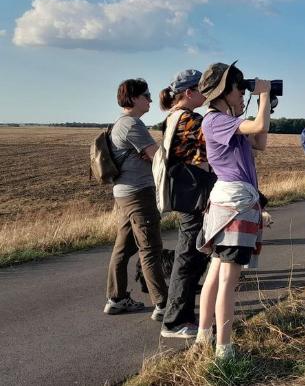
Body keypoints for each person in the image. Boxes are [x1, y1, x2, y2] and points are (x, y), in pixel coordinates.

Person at [195, 61, 271, 359]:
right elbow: (259, 126)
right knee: (229, 278)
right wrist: (262, 96)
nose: (243, 94)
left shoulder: (225, 121)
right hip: (234, 205)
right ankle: (223, 349)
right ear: (224, 91)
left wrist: (268, 103)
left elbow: (260, 141)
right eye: (240, 89)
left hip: (230, 203)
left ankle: (204, 336)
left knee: (216, 272)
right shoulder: (214, 120)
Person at [155, 69, 213, 339]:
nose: (206, 93)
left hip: (188, 193)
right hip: (194, 195)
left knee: (191, 253)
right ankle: (175, 321)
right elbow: (218, 138)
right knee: (188, 255)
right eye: (202, 88)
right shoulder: (188, 119)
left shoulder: (174, 116)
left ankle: (179, 315)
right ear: (189, 92)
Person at [104, 78, 168, 321]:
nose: (151, 99)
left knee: (123, 248)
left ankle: (116, 299)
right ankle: (162, 304)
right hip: (138, 194)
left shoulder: (120, 124)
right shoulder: (132, 125)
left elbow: (150, 156)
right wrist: (154, 154)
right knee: (150, 248)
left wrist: (149, 155)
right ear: (132, 98)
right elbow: (158, 157)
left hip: (124, 193)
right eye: (146, 95)